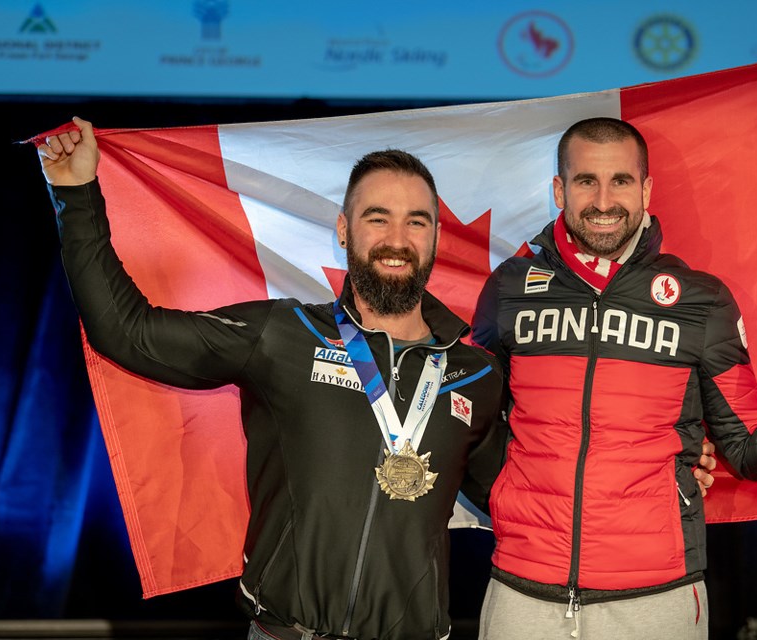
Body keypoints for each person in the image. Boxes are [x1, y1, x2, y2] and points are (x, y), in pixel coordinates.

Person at [37, 117, 510, 640]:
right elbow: (128, 333)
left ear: (437, 236)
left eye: (416, 222)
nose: (397, 239)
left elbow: (522, 502)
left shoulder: (475, 375)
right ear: (344, 230)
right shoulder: (283, 334)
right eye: (378, 218)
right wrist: (75, 194)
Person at [471, 117, 757, 640]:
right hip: (523, 593)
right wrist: (509, 494)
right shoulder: (510, 288)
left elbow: (746, 451)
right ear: (559, 190)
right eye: (587, 180)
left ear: (647, 190)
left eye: (622, 181)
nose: (604, 199)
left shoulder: (699, 300)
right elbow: (471, 422)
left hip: (657, 601)